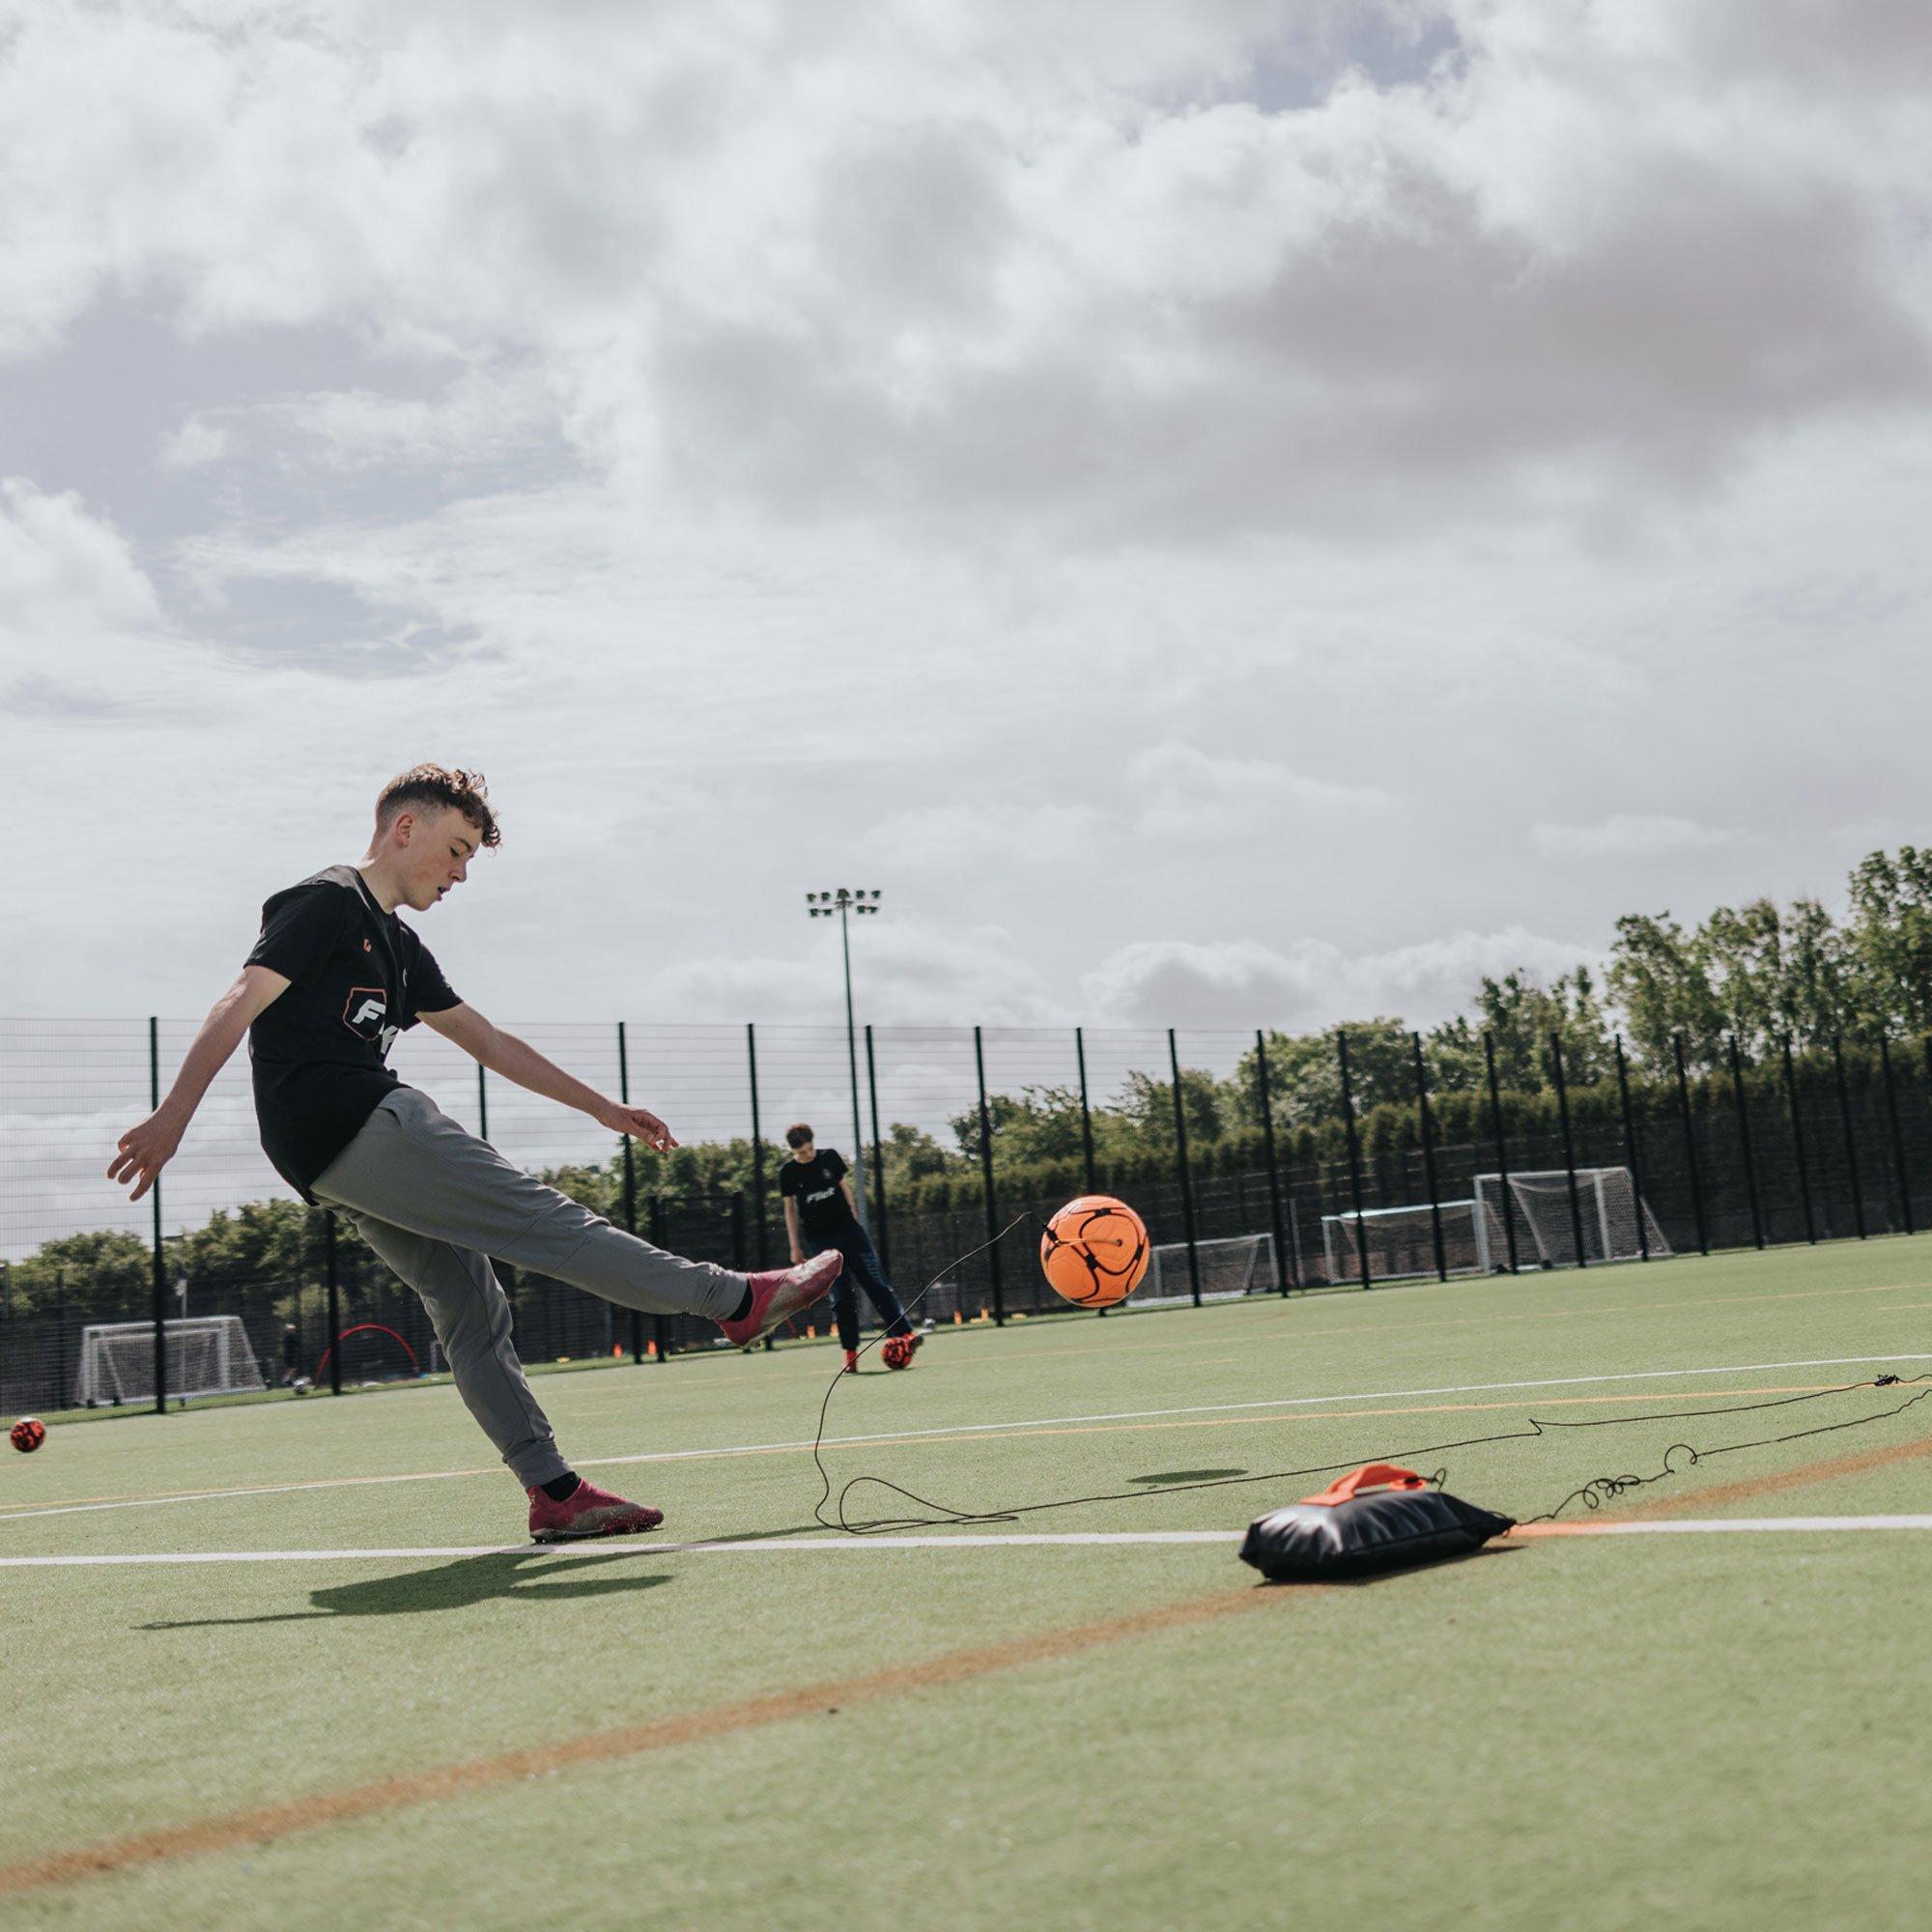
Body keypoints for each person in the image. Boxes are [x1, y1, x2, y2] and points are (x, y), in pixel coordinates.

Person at [107, 764, 840, 1542]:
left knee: (467, 1301)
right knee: (547, 1222)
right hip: (361, 1122)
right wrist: (173, 1115)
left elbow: (487, 1041)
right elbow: (241, 999)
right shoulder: (323, 902)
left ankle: (553, 1491)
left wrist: (604, 1108)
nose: (459, 873)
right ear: (404, 829)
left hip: (324, 1161)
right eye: (454, 850)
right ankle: (733, 1301)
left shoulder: (399, 946)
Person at [779, 1123, 919, 1373]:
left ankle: (906, 1334)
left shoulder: (830, 1157)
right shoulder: (788, 1172)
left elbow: (844, 1188)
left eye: (809, 1150)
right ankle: (851, 1353)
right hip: (820, 1243)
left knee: (876, 1284)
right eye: (802, 1153)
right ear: (793, 1151)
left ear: (813, 1143)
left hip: (850, 1233)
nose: (807, 1155)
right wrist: (794, 1246)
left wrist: (853, 1214)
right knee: (842, 1297)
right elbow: (789, 1209)